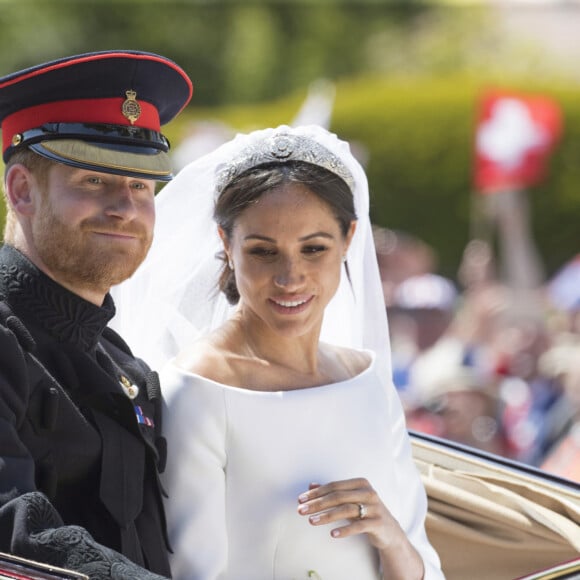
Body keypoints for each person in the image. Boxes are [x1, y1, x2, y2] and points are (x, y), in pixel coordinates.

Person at [112, 125, 443, 579]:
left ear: (348, 239)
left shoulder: (368, 381)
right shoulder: (197, 388)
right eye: (264, 252)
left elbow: (422, 563)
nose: (291, 278)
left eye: (314, 249)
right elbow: (192, 573)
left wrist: (389, 536)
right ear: (227, 246)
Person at [0, 51, 193, 578]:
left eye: (140, 185)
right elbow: (13, 535)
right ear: (21, 190)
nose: (126, 208)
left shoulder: (125, 365)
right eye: (95, 181)